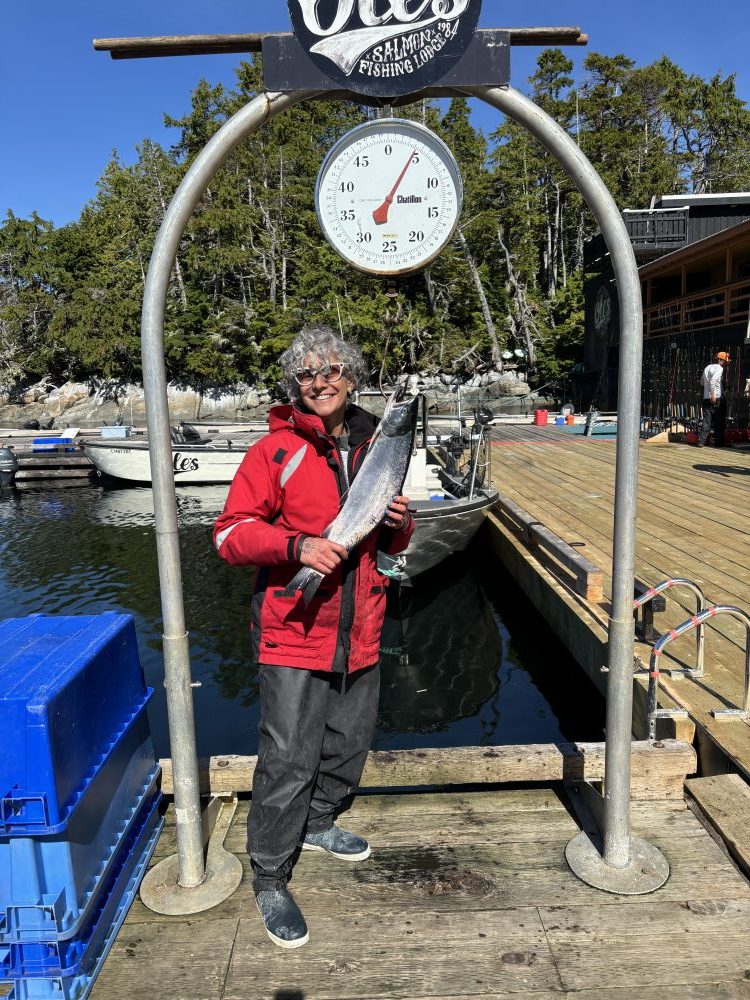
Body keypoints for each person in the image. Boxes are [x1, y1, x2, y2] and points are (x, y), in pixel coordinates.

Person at [213, 326, 413, 949]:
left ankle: (320, 821)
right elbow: (229, 534)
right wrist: (297, 545)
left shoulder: (381, 443)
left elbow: (384, 540)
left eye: (331, 371)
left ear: (352, 377)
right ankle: (271, 875)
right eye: (306, 374)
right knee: (287, 757)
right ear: (293, 385)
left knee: (348, 742)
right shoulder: (274, 451)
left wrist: (400, 524)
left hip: (363, 627)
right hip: (293, 631)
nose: (320, 382)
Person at [697, 351, 731, 447]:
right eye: (725, 361)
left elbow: (701, 382)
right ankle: (719, 442)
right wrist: (713, 395)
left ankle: (701, 441)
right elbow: (713, 380)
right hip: (717, 397)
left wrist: (708, 391)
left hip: (706, 398)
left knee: (706, 420)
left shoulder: (707, 367)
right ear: (721, 360)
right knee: (719, 421)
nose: (726, 363)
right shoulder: (719, 368)